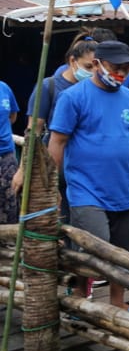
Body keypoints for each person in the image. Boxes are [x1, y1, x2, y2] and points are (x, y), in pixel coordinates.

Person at [48, 40, 129, 308]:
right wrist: (52, 186)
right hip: (85, 188)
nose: (121, 74)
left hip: (123, 188)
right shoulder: (74, 97)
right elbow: (57, 142)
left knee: (126, 253)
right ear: (97, 64)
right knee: (94, 247)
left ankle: (118, 302)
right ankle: (79, 295)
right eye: (116, 68)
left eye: (126, 68)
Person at [11, 41, 99, 220]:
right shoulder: (48, 87)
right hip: (55, 166)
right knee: (56, 219)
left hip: (87, 169)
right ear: (73, 61)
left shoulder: (96, 89)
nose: (92, 72)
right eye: (87, 66)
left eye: (96, 67)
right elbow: (32, 131)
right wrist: (23, 170)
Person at [0, 80, 19, 225]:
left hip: (7, 154)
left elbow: (13, 115)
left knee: (10, 199)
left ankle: (8, 242)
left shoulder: (4, 87)